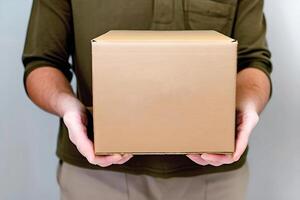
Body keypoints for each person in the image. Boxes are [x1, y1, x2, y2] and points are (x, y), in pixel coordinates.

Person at [22, 0, 272, 199]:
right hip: (97, 174)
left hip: (214, 174)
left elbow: (252, 61)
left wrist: (247, 108)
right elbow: (42, 62)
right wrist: (69, 108)